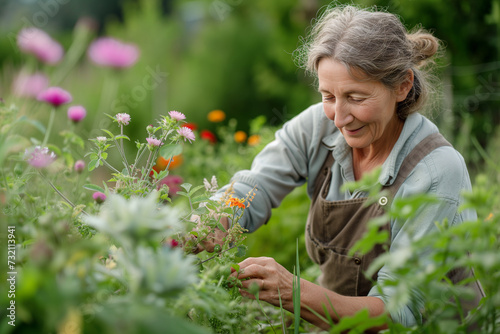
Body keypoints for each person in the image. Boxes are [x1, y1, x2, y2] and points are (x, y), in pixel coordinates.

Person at [196, 4, 484, 332]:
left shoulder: (435, 170)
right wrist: (204, 227)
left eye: (356, 98)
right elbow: (254, 188)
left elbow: (399, 310)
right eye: (328, 95)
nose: (340, 117)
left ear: (402, 86)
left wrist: (294, 292)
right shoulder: (318, 127)